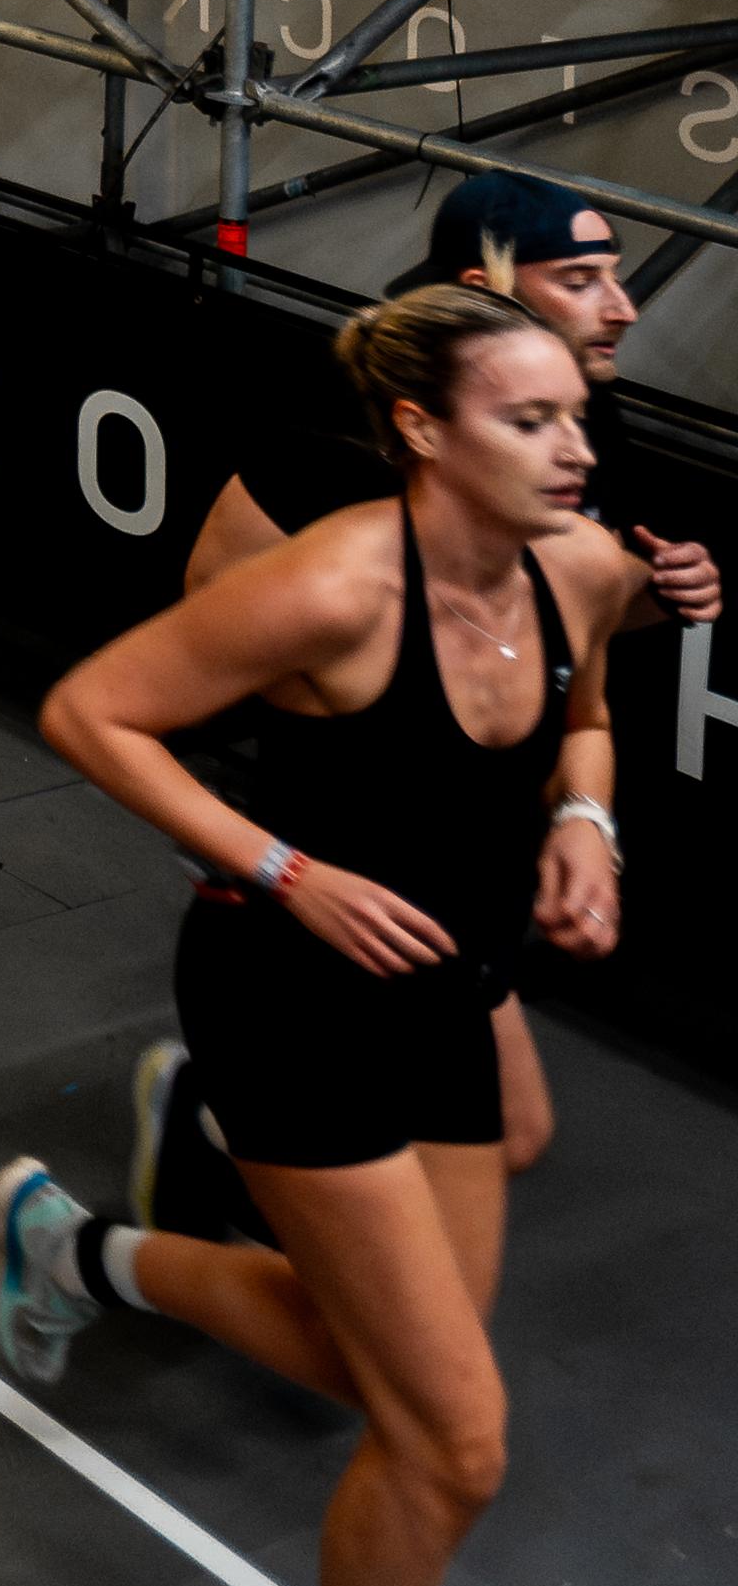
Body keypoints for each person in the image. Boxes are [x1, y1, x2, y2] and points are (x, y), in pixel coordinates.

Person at [0, 287, 628, 1586]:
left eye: (577, 417)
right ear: (424, 431)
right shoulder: (340, 583)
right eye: (531, 420)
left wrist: (585, 816)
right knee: (458, 1438)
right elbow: (92, 713)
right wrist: (285, 866)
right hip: (289, 994)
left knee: (380, 1375)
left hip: (446, 989)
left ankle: (77, 1247)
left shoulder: (582, 567)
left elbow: (592, 697)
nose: (575, 448)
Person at [144, 167, 717, 1218]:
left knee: (501, 1142)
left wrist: (657, 595)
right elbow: (201, 622)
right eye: (583, 278)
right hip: (341, 864)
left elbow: (576, 621)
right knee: (418, 1334)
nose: (624, 306)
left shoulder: (584, 424)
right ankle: (127, 1230)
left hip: (471, 864)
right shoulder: (334, 436)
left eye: (616, 277)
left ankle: (225, 1141)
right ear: (485, 287)